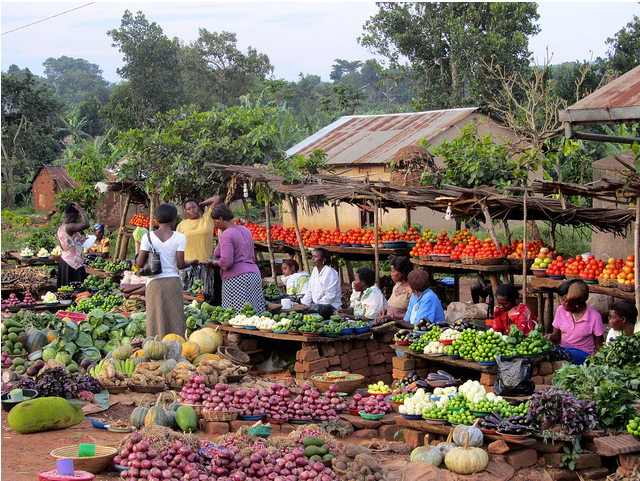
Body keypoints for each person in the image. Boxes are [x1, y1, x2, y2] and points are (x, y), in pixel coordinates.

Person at [136, 203, 199, 338]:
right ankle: (176, 347)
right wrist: (192, 262)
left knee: (155, 319)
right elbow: (180, 264)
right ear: (173, 220)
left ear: (157, 218)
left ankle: (156, 348)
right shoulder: (179, 237)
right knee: (174, 319)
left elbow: (139, 264)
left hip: (154, 284)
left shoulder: (147, 237)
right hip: (172, 282)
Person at [205, 204, 264, 314]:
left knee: (236, 315)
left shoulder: (227, 234)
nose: (215, 224)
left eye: (215, 221)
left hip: (237, 279)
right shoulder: (246, 230)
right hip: (253, 275)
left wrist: (213, 262)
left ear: (221, 219)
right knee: (253, 314)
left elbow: (226, 262)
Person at [546, 279, 604, 365]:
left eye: (564, 301)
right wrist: (551, 337)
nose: (562, 303)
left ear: (576, 302)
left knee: (564, 356)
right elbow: (557, 335)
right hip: (563, 351)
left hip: (584, 355)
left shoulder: (594, 317)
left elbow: (599, 345)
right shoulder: (560, 310)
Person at [177, 196, 222, 304]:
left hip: (205, 265)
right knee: (186, 299)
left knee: (206, 299)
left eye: (194, 207)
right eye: (188, 208)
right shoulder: (181, 225)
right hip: (187, 267)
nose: (191, 210)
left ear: (199, 208)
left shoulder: (207, 219)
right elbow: (177, 247)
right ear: (185, 211)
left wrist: (201, 204)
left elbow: (217, 198)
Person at [301, 248, 342, 318]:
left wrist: (316, 305)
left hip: (330, 308)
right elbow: (310, 290)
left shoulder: (329, 272)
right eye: (312, 256)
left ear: (323, 260)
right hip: (317, 306)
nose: (312, 259)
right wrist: (303, 304)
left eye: (315, 257)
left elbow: (330, 295)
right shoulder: (315, 271)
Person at [57, 202, 90, 288]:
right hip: (72, 263)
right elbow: (86, 224)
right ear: (70, 217)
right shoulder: (69, 227)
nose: (76, 221)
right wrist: (80, 210)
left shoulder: (61, 228)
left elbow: (65, 246)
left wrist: (78, 241)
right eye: (76, 218)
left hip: (66, 261)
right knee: (76, 290)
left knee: (67, 290)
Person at [377, 255, 413, 323]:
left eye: (393, 272)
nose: (391, 274)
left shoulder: (411, 290)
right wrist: (385, 312)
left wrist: (392, 316)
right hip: (390, 324)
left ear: (402, 273)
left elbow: (412, 314)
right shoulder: (396, 286)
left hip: (402, 327)